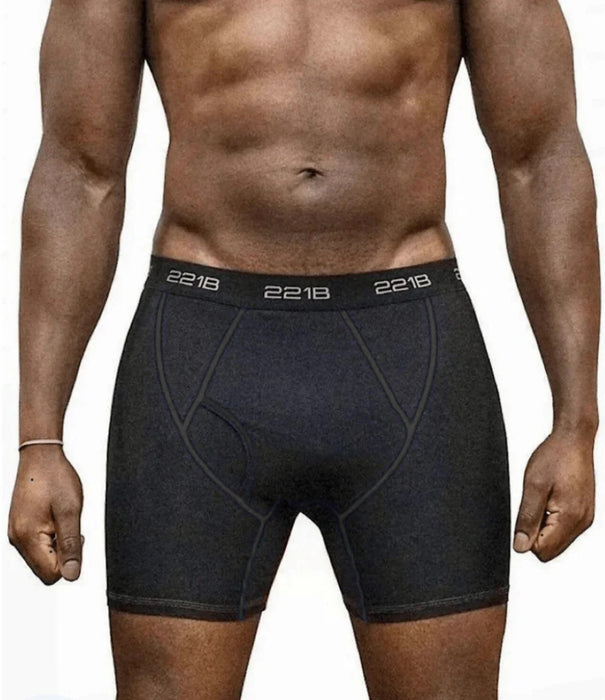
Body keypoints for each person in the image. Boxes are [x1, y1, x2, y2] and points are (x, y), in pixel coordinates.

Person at [7, 0, 599, 698]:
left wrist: (576, 423)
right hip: (200, 356)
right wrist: (39, 440)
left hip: (408, 353)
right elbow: (79, 171)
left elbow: (540, 158)